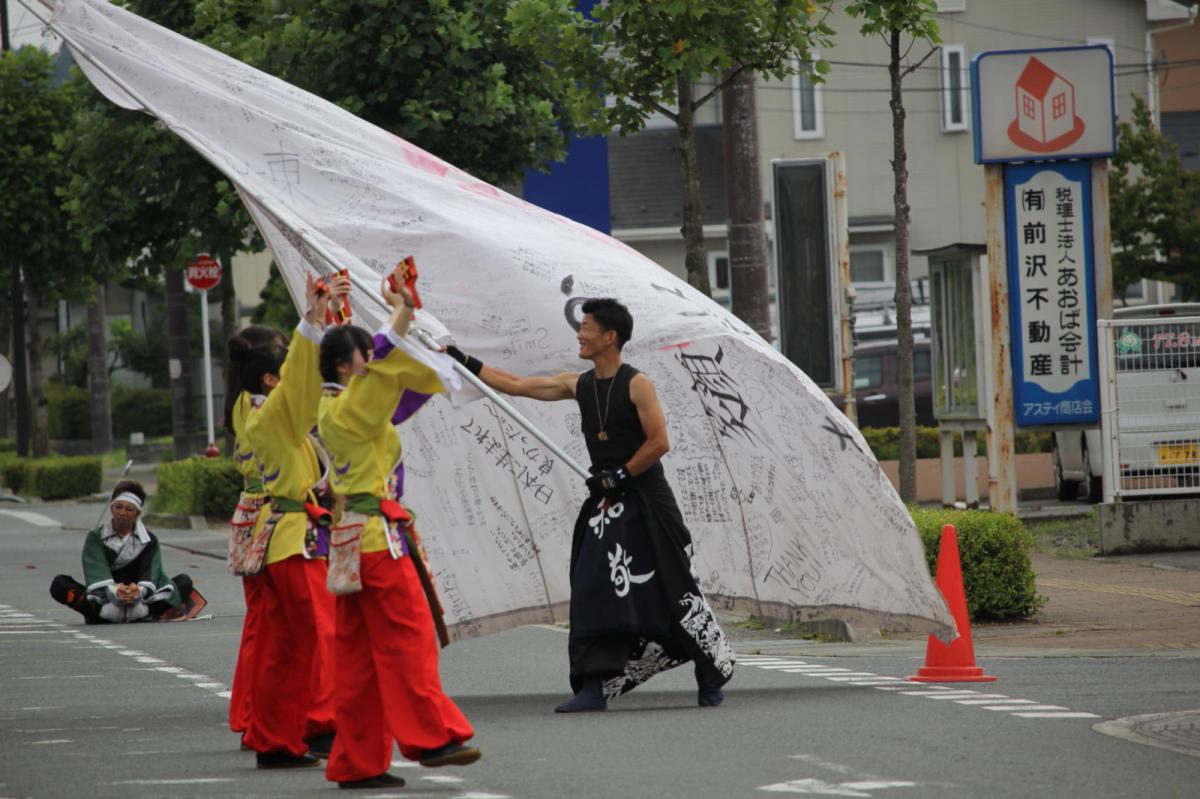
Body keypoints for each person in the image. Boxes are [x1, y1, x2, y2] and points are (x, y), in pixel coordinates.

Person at [448, 297, 735, 713]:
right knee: (593, 586)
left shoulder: (639, 385)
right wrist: (461, 359)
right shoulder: (577, 384)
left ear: (609, 336)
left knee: (672, 587)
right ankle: (595, 685)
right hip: (606, 505)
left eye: (586, 327)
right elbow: (515, 385)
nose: (579, 334)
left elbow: (659, 443)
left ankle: (709, 669)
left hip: (648, 502)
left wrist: (621, 474)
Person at [317, 278, 478, 790]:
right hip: (373, 545)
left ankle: (357, 762)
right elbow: (383, 367)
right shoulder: (346, 410)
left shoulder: (339, 407)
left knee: (359, 660)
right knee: (407, 639)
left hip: (351, 543)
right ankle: (432, 737)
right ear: (348, 367)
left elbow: (390, 384)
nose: (373, 365)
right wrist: (399, 314)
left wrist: (403, 314)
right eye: (364, 358)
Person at [238, 272, 348, 769]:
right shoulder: (272, 416)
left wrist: (331, 317)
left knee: (283, 648)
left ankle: (273, 738)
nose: (292, 377)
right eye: (283, 368)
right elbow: (305, 383)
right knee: (321, 637)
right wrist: (311, 319)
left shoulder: (262, 415)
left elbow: (319, 387)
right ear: (270, 379)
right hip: (293, 541)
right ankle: (320, 724)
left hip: (281, 538)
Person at [223, 326, 287, 743]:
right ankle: (258, 715)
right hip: (271, 514)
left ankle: (249, 713)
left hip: (250, 511)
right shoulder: (265, 403)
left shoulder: (240, 401)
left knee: (259, 623)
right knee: (274, 625)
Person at [50, 481, 193, 624]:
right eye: (118, 507)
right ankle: (105, 614)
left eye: (129, 509)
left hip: (140, 600)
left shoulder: (149, 540)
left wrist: (137, 591)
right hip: (104, 600)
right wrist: (115, 591)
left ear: (138, 513)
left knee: (184, 582)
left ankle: (144, 612)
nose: (122, 513)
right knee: (59, 584)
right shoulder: (96, 537)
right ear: (111, 509)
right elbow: (96, 572)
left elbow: (151, 574)